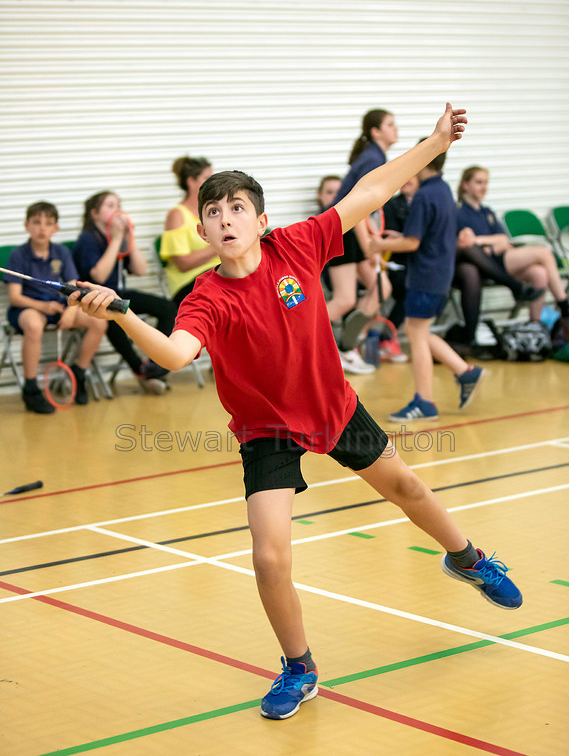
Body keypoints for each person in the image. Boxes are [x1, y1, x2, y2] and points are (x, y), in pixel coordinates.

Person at [71, 104, 522, 722]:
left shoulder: (298, 245)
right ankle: (300, 667)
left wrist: (435, 142)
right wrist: (123, 313)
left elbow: (374, 188)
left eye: (236, 210)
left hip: (332, 407)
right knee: (270, 557)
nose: (225, 219)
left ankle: (468, 557)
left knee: (409, 488)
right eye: (213, 212)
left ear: (260, 221)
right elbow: (176, 356)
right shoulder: (206, 296)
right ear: (203, 231)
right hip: (266, 431)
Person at [371, 143, 486, 421]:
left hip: (425, 277)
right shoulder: (443, 189)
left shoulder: (423, 196)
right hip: (439, 275)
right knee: (417, 331)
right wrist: (400, 237)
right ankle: (465, 372)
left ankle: (425, 402)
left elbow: (412, 242)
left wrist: (377, 245)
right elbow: (425, 234)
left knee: (417, 336)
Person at [4, 201, 106, 413]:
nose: (42, 228)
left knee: (99, 320)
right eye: (36, 222)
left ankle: (80, 372)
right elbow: (15, 297)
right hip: (28, 308)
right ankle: (31, 389)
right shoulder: (17, 255)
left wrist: (70, 311)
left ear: (56, 228)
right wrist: (43, 305)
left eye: (48, 223)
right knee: (33, 325)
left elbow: (73, 287)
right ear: (26, 226)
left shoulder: (61, 253)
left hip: (59, 307)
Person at [73, 191, 177, 394]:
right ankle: (139, 367)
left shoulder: (116, 237)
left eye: (119, 204)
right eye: (110, 205)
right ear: (94, 213)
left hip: (118, 293)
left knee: (167, 307)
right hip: (95, 297)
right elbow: (99, 277)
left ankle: (157, 360)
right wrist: (116, 240)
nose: (117, 209)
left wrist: (129, 238)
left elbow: (141, 269)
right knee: (113, 316)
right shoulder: (88, 239)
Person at [456, 166, 569, 339]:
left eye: (486, 182)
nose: (483, 187)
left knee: (539, 273)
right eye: (479, 182)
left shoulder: (487, 212)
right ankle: (564, 305)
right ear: (465, 185)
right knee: (544, 253)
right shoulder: (458, 212)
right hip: (486, 264)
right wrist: (492, 245)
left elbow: (503, 239)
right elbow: (465, 244)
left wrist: (482, 242)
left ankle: (535, 330)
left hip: (498, 257)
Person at [326, 109, 399, 374]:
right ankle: (299, 342)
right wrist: (369, 247)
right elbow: (356, 207)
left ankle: (345, 346)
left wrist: (371, 244)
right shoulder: (372, 159)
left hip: (352, 231)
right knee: (344, 299)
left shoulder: (377, 156)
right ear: (375, 132)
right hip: (340, 231)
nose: (396, 129)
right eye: (390, 125)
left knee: (381, 289)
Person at [160, 155, 219, 306]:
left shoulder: (215, 211)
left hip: (218, 274)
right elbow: (183, 263)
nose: (213, 182)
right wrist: (218, 246)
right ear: (191, 182)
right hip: (188, 284)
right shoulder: (177, 215)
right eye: (207, 177)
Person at [380, 175, 419, 330]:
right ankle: (386, 335)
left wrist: (405, 238)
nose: (405, 180)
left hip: (419, 262)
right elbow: (390, 237)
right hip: (396, 263)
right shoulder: (391, 205)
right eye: (405, 176)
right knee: (409, 289)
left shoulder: (424, 204)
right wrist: (407, 240)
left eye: (411, 177)